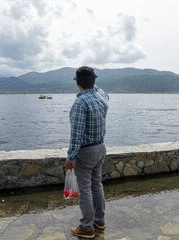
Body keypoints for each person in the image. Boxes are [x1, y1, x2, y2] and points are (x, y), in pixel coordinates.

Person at [66, 66, 109, 238]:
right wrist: (93, 85)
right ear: (94, 81)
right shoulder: (102, 97)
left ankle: (86, 227)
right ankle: (99, 220)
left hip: (86, 152)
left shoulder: (80, 103)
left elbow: (76, 134)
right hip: (100, 148)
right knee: (97, 184)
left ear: (77, 83)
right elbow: (102, 91)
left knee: (85, 189)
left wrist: (71, 156)